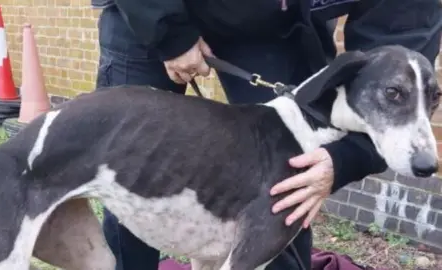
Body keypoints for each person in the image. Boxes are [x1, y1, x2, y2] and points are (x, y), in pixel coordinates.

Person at [90, 0, 442, 269]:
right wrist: (167, 30)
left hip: (274, 25)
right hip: (147, 14)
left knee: (290, 184)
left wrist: (346, 157)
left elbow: (405, 31)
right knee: (126, 172)